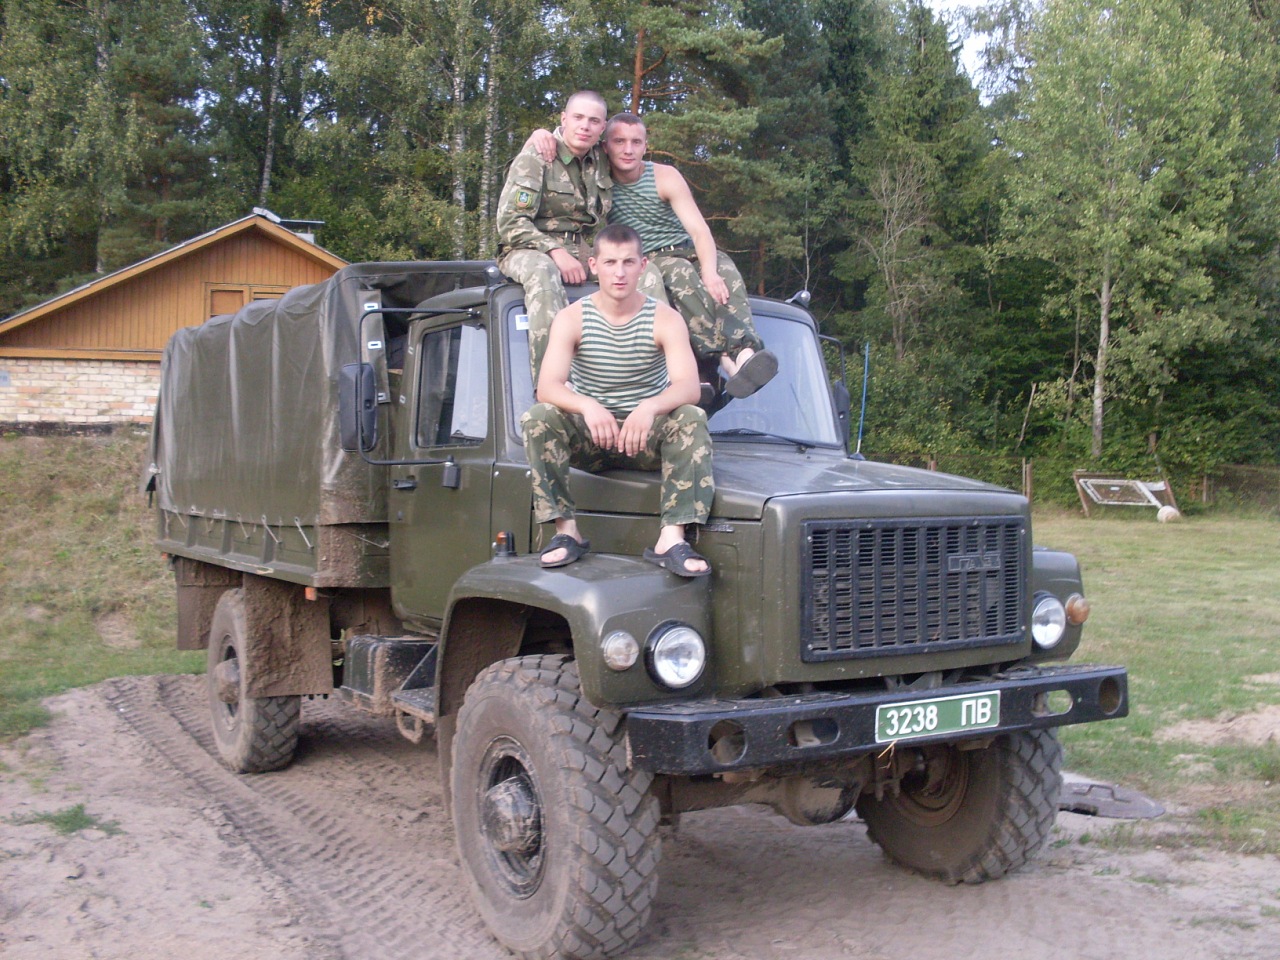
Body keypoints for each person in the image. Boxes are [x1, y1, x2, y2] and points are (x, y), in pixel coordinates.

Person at [528, 112, 776, 398]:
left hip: (685, 249)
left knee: (725, 271)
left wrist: (709, 272)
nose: (628, 149)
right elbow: (559, 149)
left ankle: (744, 354)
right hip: (647, 258)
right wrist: (538, 135)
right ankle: (720, 358)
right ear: (605, 146)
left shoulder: (664, 176)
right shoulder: (596, 176)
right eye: (619, 141)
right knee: (681, 275)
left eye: (636, 142)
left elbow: (699, 231)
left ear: (646, 146)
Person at [521, 223, 714, 577]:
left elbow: (689, 387)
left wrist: (649, 407)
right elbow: (547, 386)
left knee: (691, 417)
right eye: (610, 262)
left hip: (645, 439)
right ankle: (566, 532)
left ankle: (671, 538)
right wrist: (587, 405)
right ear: (594, 265)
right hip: (593, 438)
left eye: (628, 262)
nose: (619, 273)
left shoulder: (665, 319)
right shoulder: (572, 318)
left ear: (643, 266)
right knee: (539, 417)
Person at [496, 90, 612, 383]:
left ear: (602, 127)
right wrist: (554, 251)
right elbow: (510, 223)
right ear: (563, 119)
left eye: (594, 121)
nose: (585, 126)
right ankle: (552, 385)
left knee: (636, 273)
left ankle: (654, 379)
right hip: (526, 249)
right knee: (543, 274)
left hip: (580, 249)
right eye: (578, 117)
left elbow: (633, 154)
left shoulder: (601, 159)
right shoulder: (536, 157)